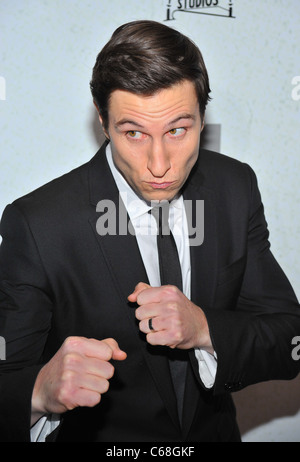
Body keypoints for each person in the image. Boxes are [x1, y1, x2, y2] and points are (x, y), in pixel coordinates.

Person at [0, 20, 299, 443]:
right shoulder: (38, 223)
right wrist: (37, 392)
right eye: (134, 133)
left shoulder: (235, 188)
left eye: (178, 129)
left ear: (202, 118)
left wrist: (203, 328)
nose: (159, 164)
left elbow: (289, 339)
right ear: (103, 122)